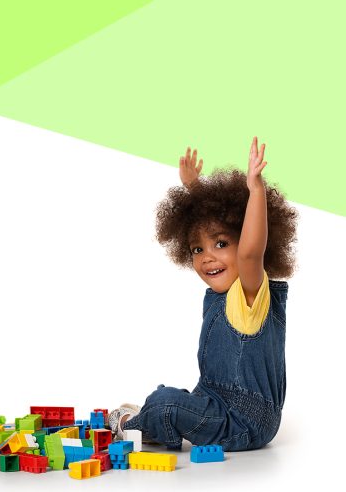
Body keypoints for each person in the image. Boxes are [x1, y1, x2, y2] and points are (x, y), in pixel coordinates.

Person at [109, 138, 297, 451]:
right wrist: (195, 189)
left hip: (244, 421)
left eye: (221, 244)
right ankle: (156, 420)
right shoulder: (221, 295)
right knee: (170, 397)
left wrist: (256, 191)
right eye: (198, 249)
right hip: (213, 402)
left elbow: (251, 252)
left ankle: (131, 425)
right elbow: (213, 220)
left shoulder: (249, 292)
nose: (207, 257)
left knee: (165, 403)